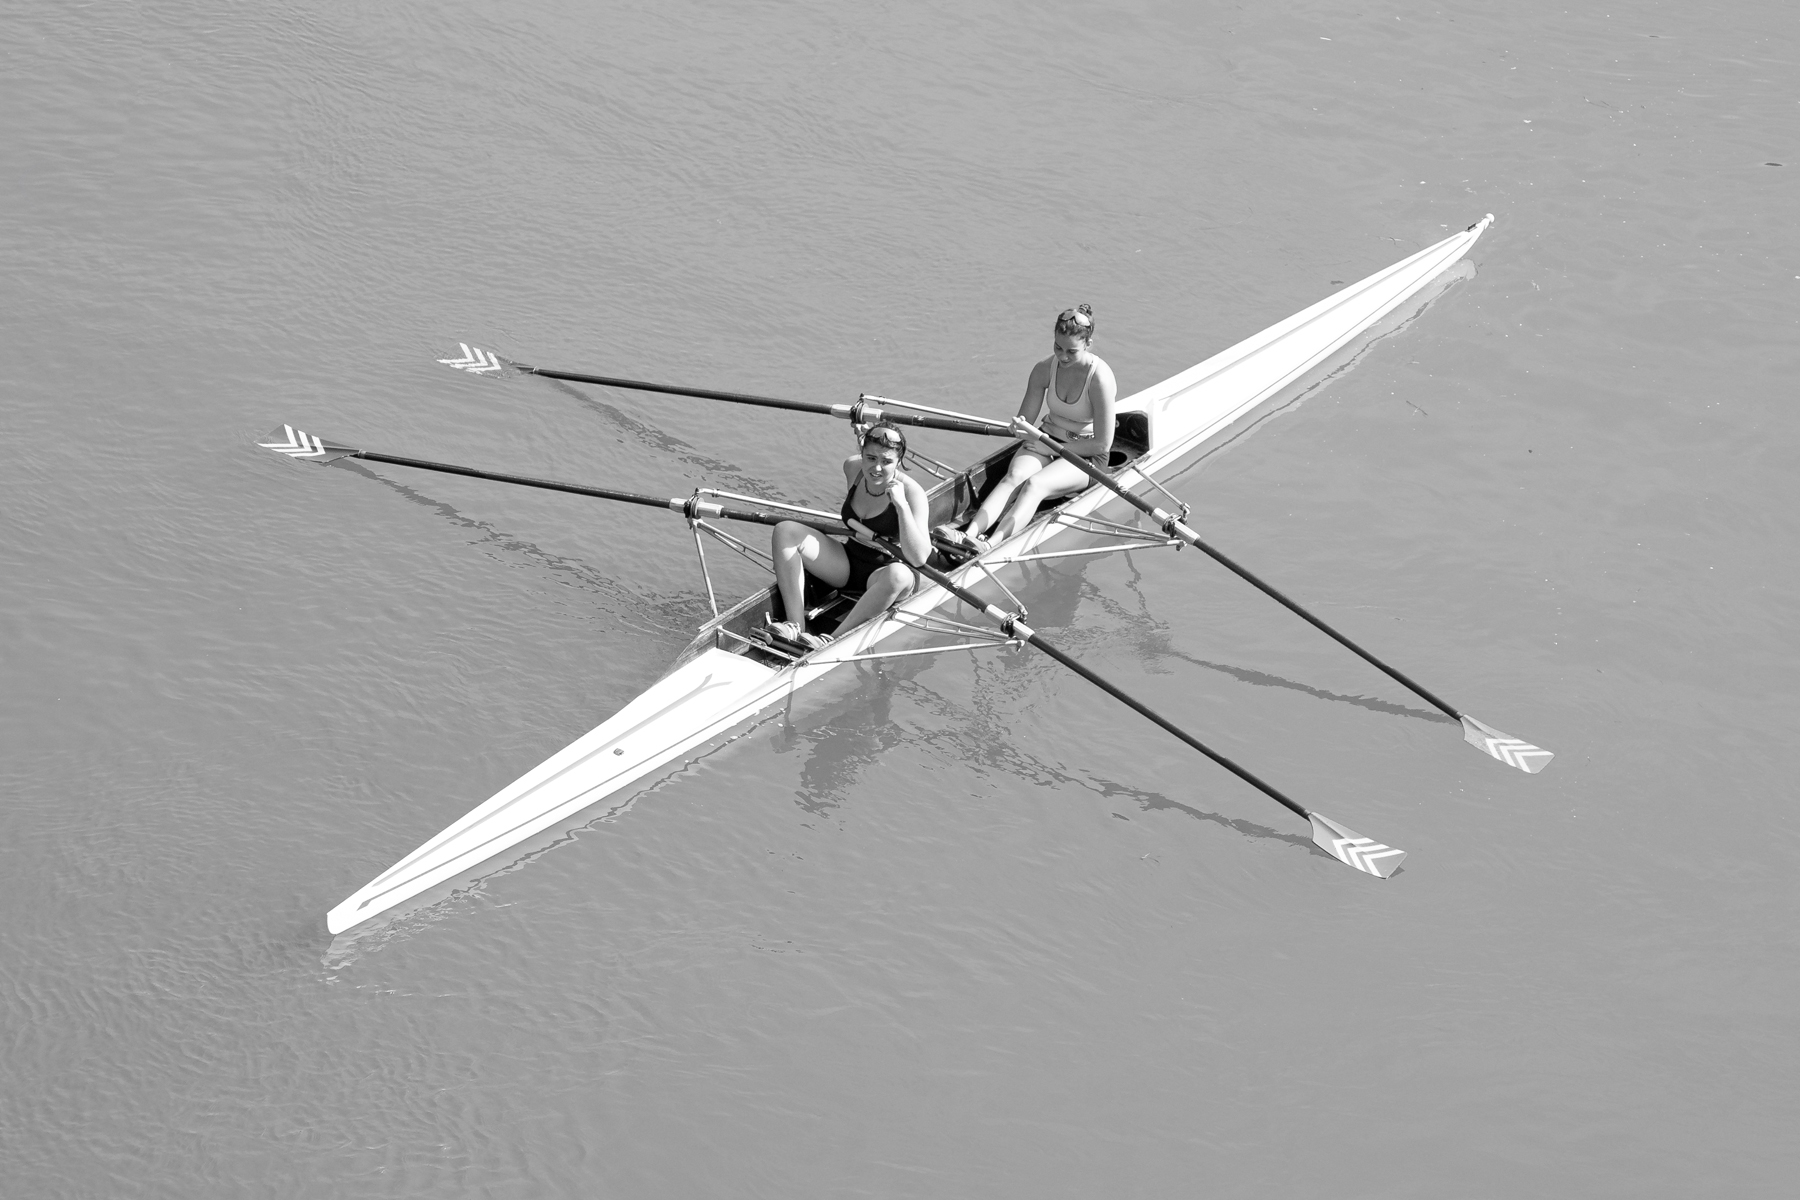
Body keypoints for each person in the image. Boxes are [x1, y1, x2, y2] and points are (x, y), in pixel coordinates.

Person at [954, 305, 1117, 548]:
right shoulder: (1044, 369)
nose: (1063, 357)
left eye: (1071, 351)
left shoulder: (1100, 379)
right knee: (1014, 477)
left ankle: (990, 545)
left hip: (1087, 454)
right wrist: (1019, 425)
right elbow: (1026, 420)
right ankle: (968, 535)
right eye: (1058, 347)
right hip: (1046, 438)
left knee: (1034, 485)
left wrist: (1049, 448)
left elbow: (1103, 444)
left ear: (1088, 344)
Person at [762, 422, 934, 650]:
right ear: (861, 453)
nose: (877, 468)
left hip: (887, 573)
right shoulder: (853, 468)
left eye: (886, 461)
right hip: (847, 562)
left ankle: (831, 640)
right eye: (871, 458)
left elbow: (920, 557)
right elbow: (864, 450)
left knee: (899, 576)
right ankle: (796, 627)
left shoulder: (913, 493)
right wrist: (862, 432)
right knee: (785, 530)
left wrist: (901, 506)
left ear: (899, 461)